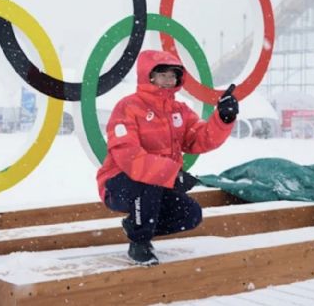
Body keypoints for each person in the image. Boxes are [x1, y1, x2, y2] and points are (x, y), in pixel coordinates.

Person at [96, 49, 239, 266]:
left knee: (190, 214)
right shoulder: (128, 107)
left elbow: (200, 138)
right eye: (162, 74)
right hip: (119, 184)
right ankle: (139, 243)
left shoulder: (179, 110)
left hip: (158, 185)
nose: (168, 80)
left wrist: (223, 118)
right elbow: (129, 157)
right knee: (148, 181)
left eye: (173, 75)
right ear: (149, 75)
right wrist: (172, 175)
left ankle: (135, 223)